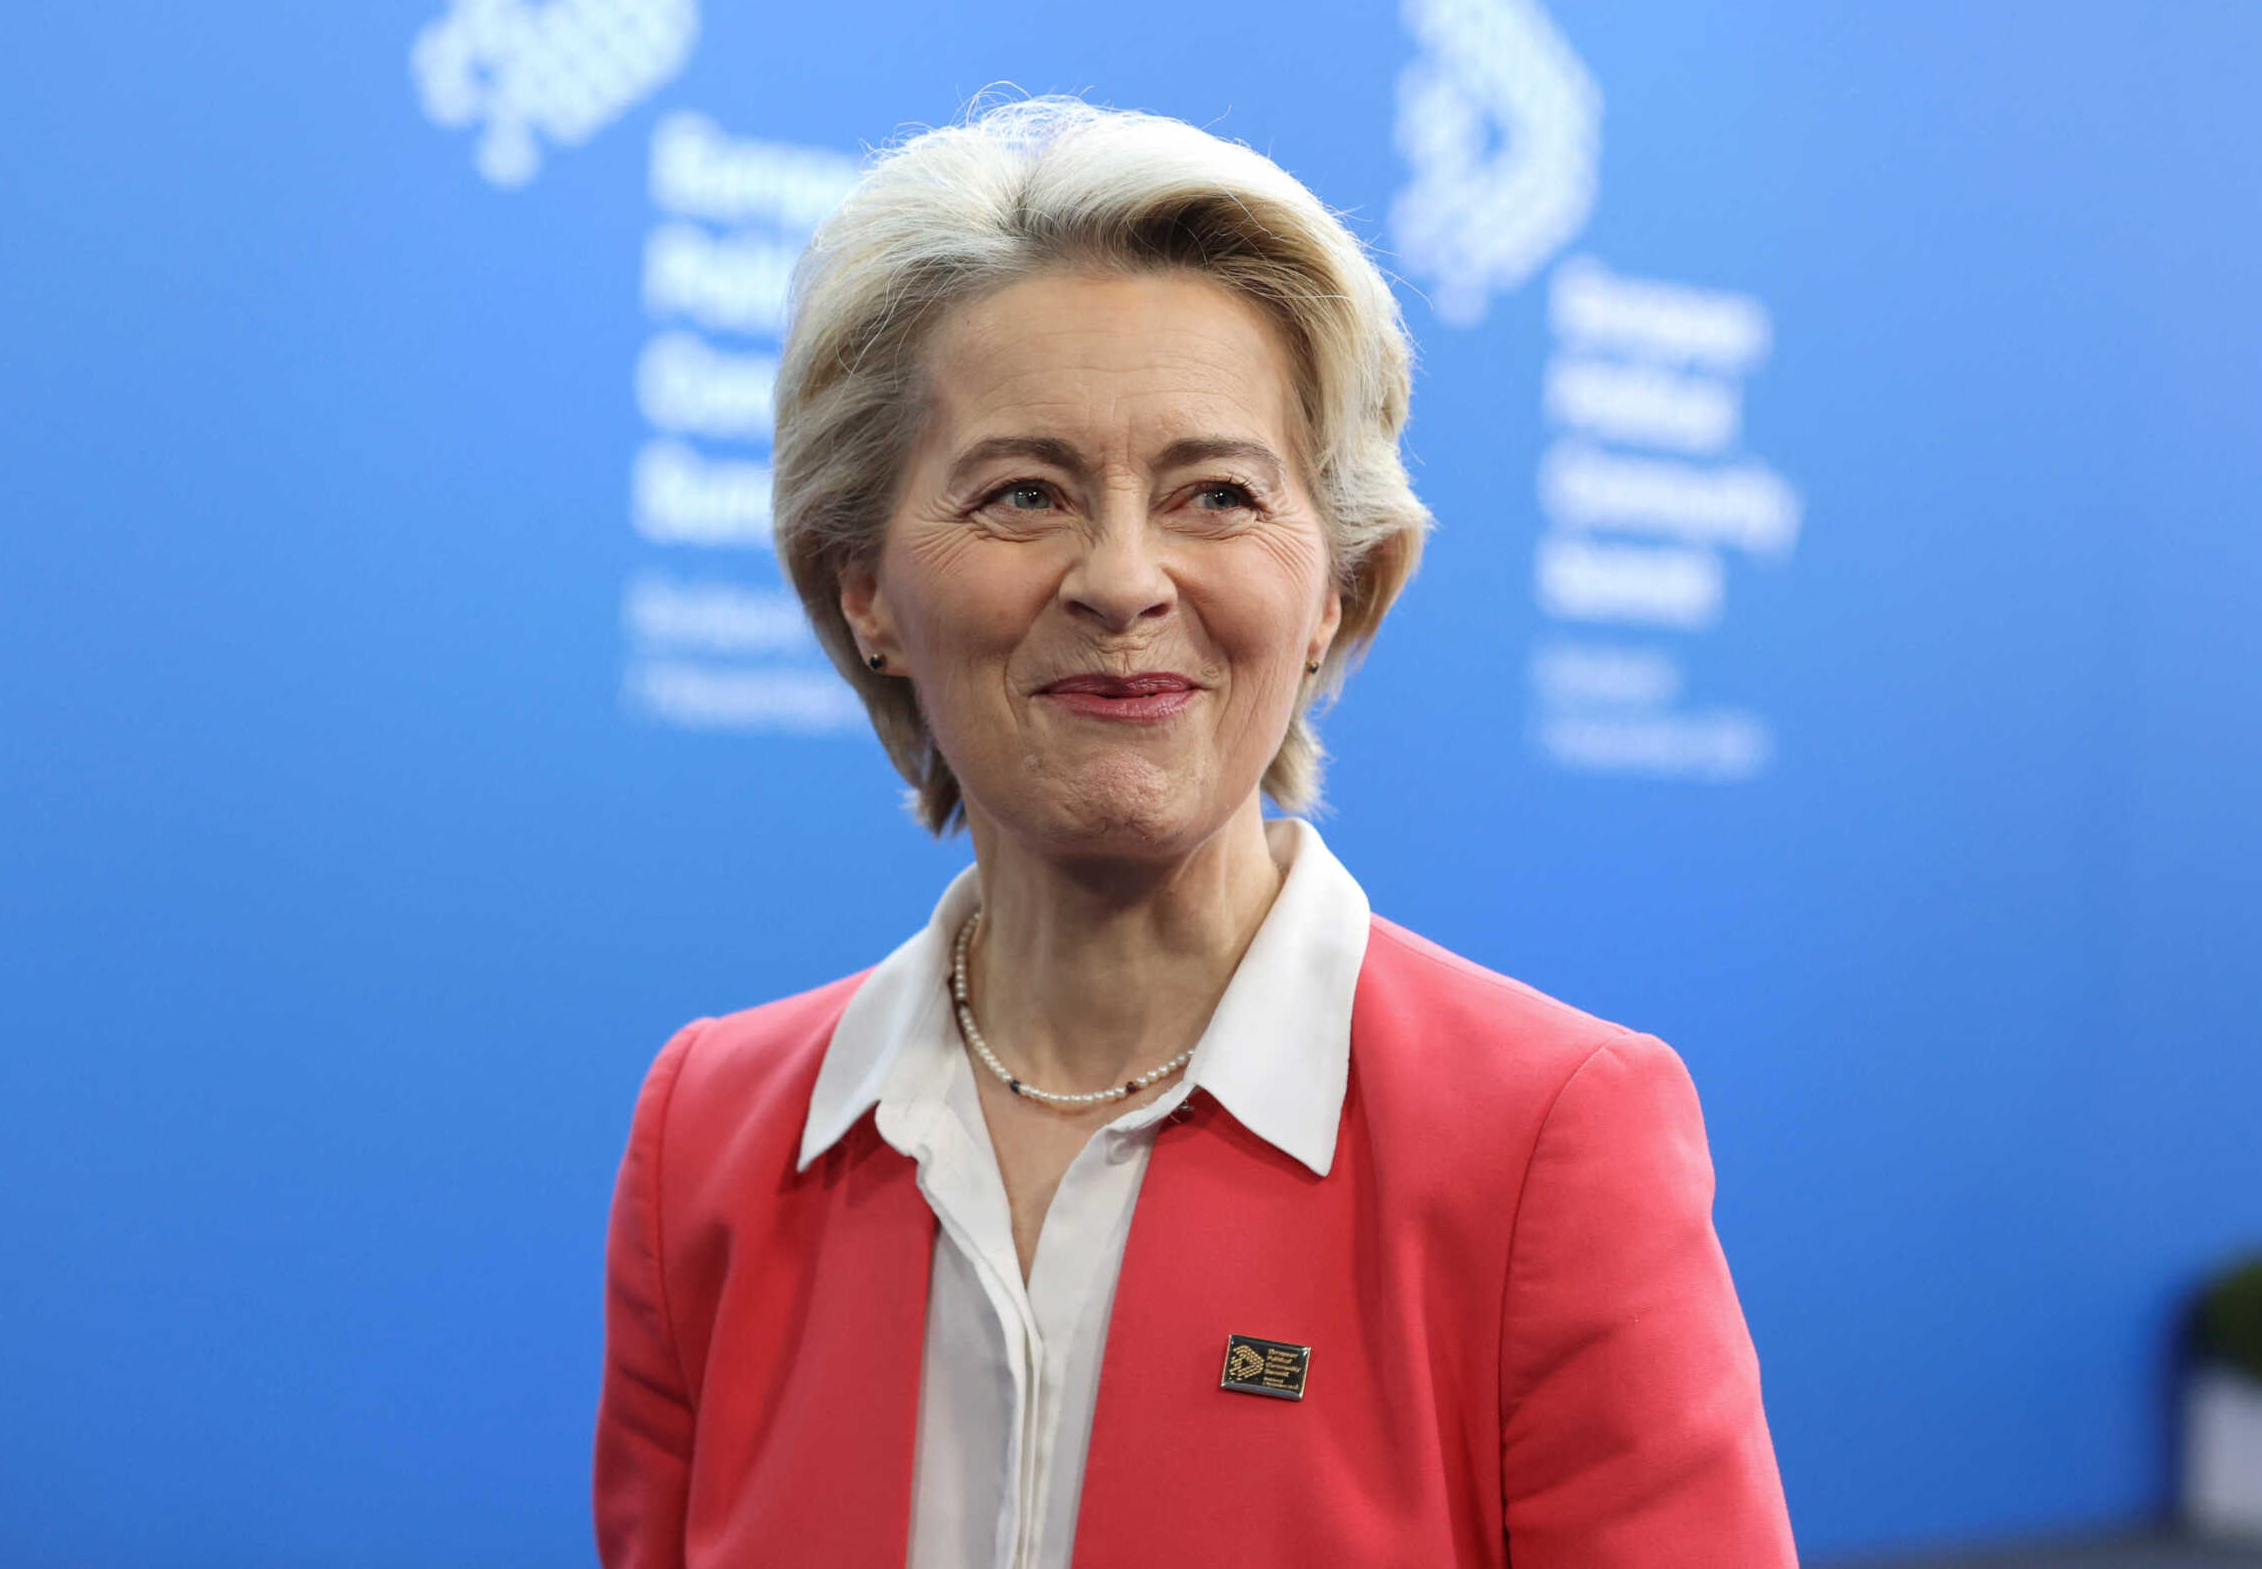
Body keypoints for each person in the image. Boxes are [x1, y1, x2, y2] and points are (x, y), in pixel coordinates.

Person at [592, 97, 1795, 1568]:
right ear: (863, 588)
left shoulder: (1548, 1144)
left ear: (1340, 588)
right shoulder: (709, 1140)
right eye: (1022, 492)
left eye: (1215, 494)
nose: (1121, 577)